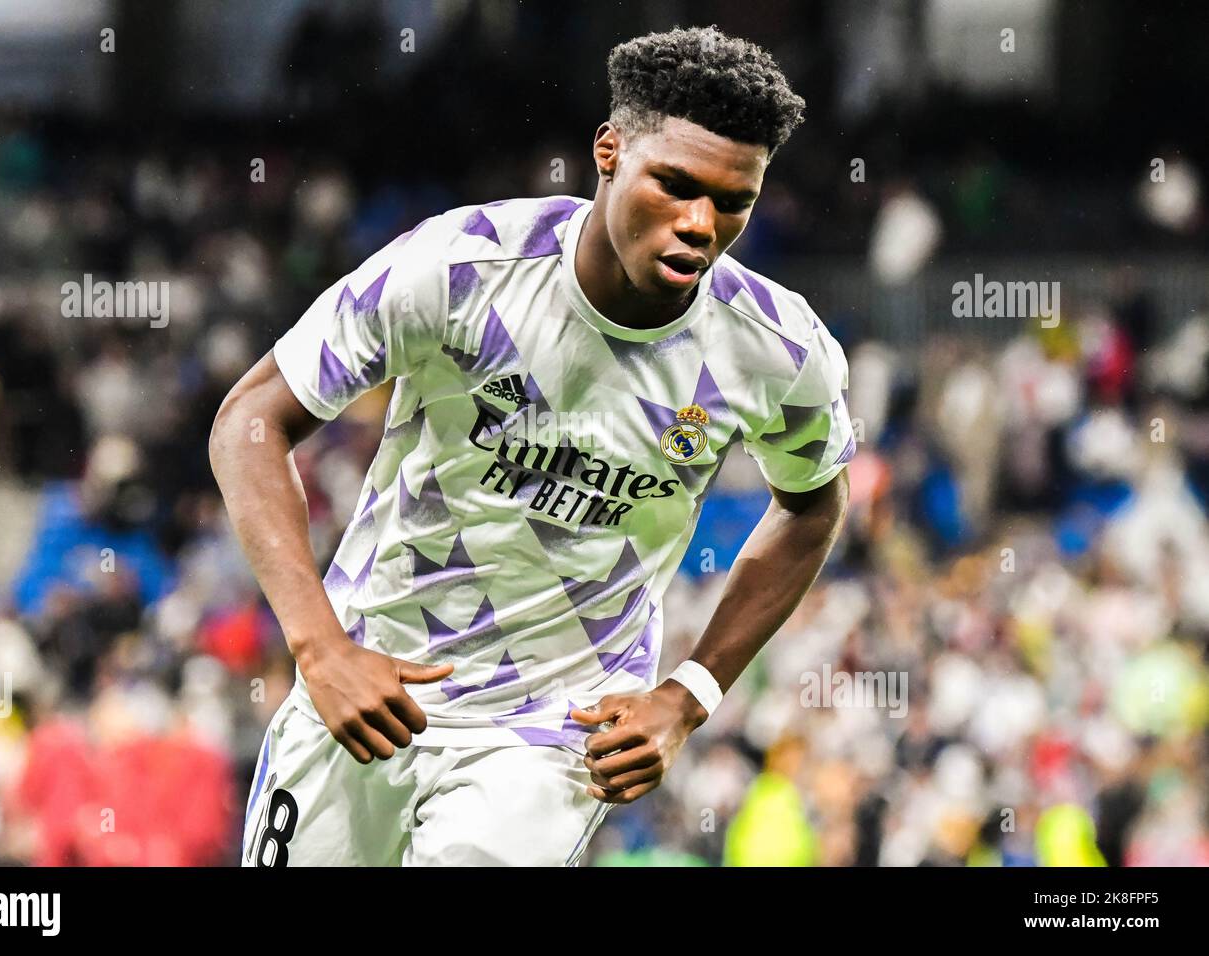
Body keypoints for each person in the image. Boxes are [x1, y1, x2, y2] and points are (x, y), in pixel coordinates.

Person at [210, 24, 853, 866]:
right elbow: (250, 418)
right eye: (676, 184)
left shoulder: (775, 348)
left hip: (549, 734)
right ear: (610, 151)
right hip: (369, 685)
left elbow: (812, 506)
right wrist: (319, 645)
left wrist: (689, 695)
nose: (702, 223)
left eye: (734, 201)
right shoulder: (461, 267)